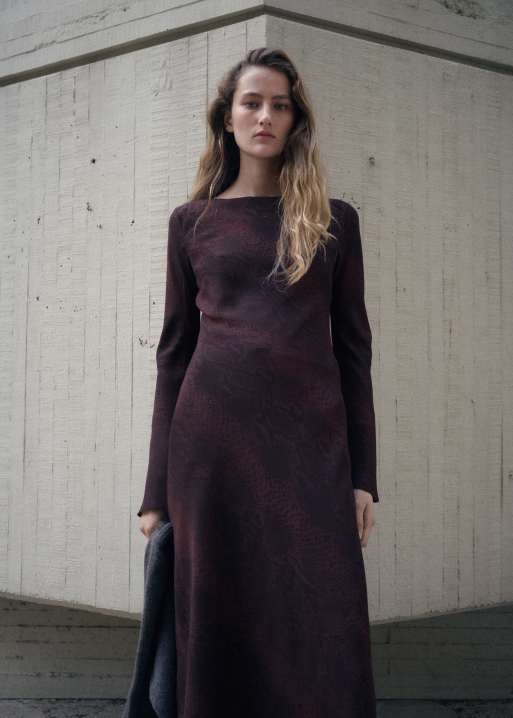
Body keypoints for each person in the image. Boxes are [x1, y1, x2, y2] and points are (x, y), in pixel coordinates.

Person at [137, 46, 379, 717]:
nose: (265, 115)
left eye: (279, 104)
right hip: (209, 452)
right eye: (251, 102)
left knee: (321, 615)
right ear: (227, 117)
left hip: (310, 449)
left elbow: (354, 351)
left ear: (296, 119)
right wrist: (155, 493)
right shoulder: (192, 223)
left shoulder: (333, 222)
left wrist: (363, 476)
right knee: (219, 614)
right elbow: (174, 354)